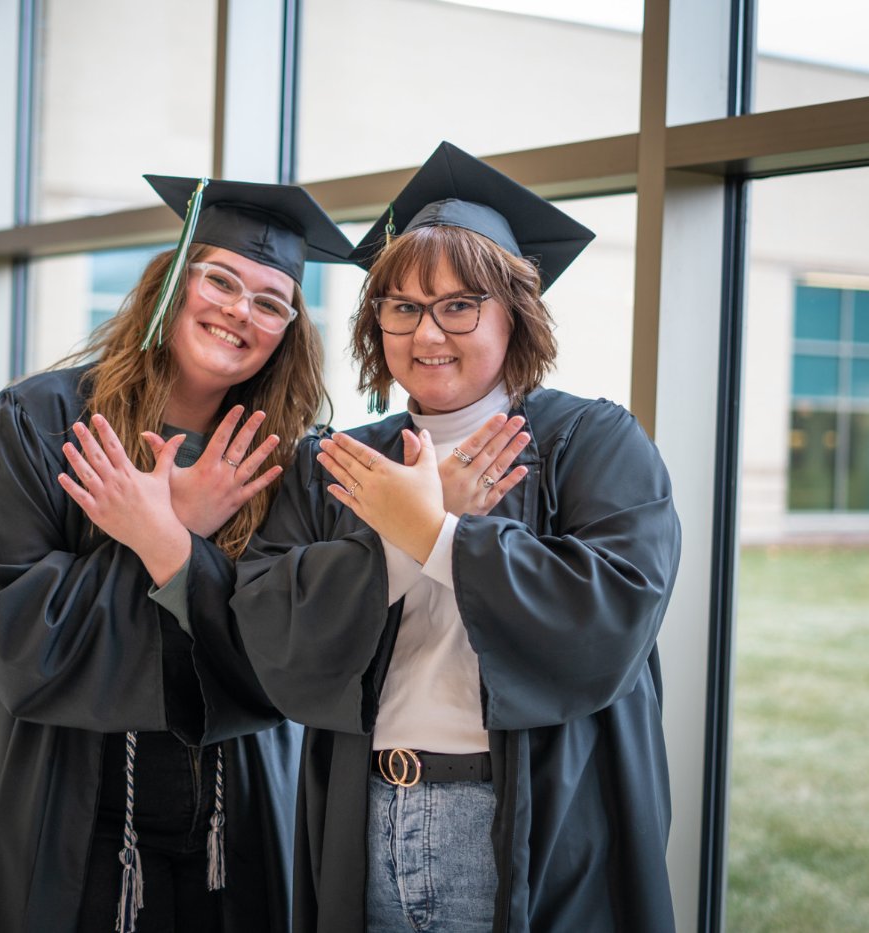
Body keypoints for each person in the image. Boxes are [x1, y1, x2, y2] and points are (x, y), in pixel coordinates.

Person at [233, 142, 682, 933]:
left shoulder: (593, 441)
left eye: (460, 304)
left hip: (518, 822)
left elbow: (613, 611)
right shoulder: (336, 460)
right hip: (362, 816)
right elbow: (271, 622)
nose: (427, 331)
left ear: (516, 312)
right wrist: (405, 543)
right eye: (401, 306)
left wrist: (436, 534)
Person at [0, 174, 353, 933]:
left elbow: (290, 656)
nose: (239, 311)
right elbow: (27, 642)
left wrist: (164, 538)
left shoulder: (285, 463)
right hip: (72, 820)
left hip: (235, 826)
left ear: (289, 330)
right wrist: (182, 530)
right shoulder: (39, 425)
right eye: (221, 279)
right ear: (172, 285)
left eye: (270, 301)